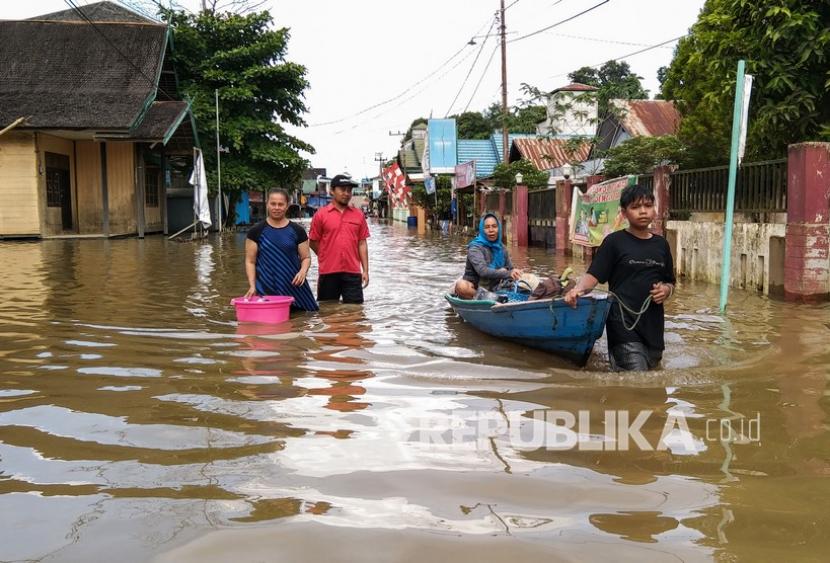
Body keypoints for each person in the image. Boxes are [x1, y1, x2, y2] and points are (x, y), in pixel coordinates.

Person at [564, 183, 675, 371]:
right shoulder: (614, 243)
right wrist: (577, 290)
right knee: (637, 382)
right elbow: (594, 275)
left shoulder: (661, 245)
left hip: (654, 329)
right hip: (623, 327)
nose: (643, 211)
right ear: (623, 213)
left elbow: (670, 282)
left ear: (654, 210)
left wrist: (666, 290)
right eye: (635, 207)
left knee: (651, 385)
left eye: (647, 206)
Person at [244, 188, 319, 311]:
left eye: (280, 204)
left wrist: (303, 272)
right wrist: (252, 286)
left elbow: (306, 257)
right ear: (267, 204)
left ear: (287, 206)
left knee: (301, 322)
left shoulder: (297, 231)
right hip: (266, 285)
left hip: (294, 285)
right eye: (273, 204)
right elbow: (250, 261)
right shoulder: (256, 231)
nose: (276, 207)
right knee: (270, 323)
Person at [308, 174, 370, 304]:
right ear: (332, 191)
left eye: (349, 190)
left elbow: (362, 243)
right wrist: (325, 255)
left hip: (353, 272)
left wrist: (365, 270)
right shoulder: (321, 215)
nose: (346, 193)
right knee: (327, 311)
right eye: (342, 189)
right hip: (328, 272)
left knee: (355, 312)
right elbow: (313, 241)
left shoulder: (358, 215)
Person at [454, 213, 523, 299]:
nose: (491, 230)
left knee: (526, 280)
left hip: (496, 287)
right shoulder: (475, 248)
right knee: (461, 286)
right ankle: (488, 298)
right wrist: (506, 273)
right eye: (487, 227)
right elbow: (482, 271)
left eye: (494, 226)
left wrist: (515, 273)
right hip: (476, 287)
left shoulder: (502, 248)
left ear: (499, 228)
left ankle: (496, 297)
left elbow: (510, 269)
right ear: (482, 230)